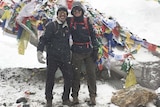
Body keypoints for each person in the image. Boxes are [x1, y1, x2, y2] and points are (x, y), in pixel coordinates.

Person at [37, 6, 73, 107]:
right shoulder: (51, 26)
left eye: (64, 13)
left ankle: (65, 98)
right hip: (52, 57)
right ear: (57, 14)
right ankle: (49, 99)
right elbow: (43, 39)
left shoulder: (68, 26)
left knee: (68, 77)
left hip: (65, 57)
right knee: (50, 78)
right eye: (60, 13)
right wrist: (39, 51)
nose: (62, 15)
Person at [67, 1, 99, 106]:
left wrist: (95, 50)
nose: (77, 12)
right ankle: (75, 96)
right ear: (72, 12)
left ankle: (93, 96)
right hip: (76, 51)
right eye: (75, 10)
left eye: (79, 10)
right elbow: (59, 22)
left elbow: (93, 37)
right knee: (75, 74)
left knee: (91, 74)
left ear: (82, 11)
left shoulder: (87, 21)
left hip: (88, 51)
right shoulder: (70, 21)